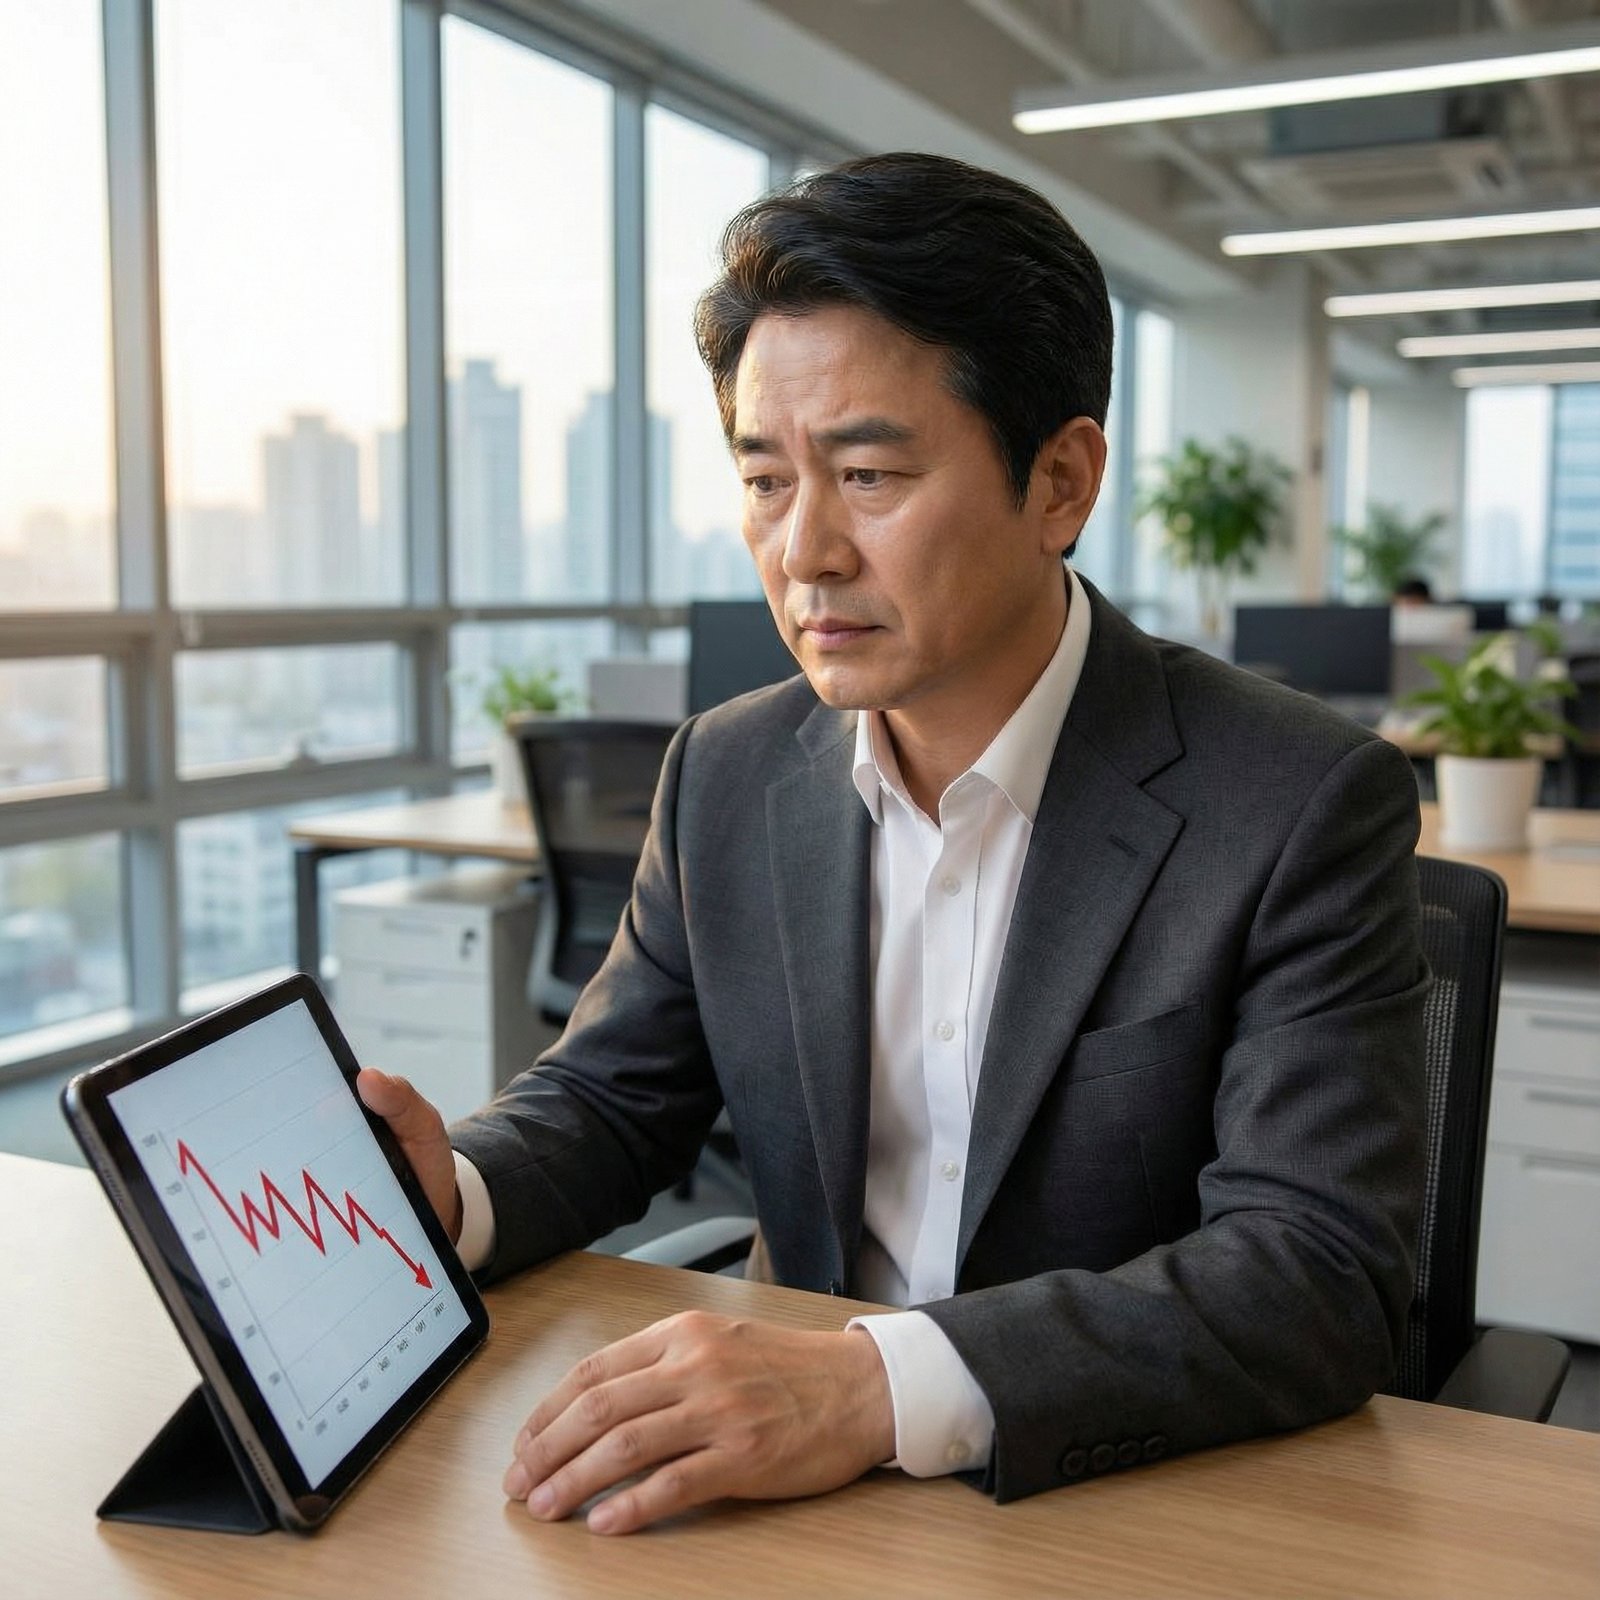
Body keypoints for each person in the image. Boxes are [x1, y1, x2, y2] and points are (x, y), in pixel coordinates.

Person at [358, 151, 1427, 1535]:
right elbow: (614, 1100)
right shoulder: (727, 772)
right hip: (784, 1503)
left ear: (1060, 482)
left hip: (1110, 1497)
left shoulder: (1294, 800)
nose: (805, 551)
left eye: (867, 474)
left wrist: (872, 1386)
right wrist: (452, 1194)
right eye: (764, 480)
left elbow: (1318, 1268)